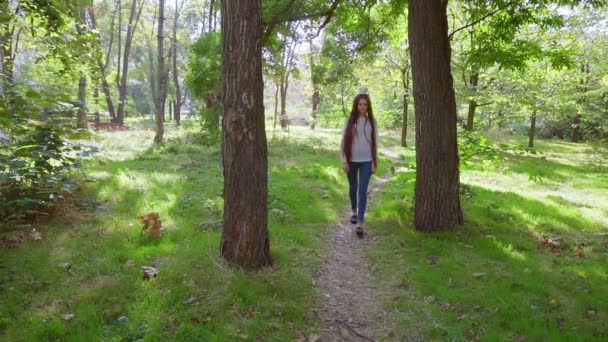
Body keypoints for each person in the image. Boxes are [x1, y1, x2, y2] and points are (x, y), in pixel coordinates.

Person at [340, 94, 378, 237]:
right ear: (356, 105)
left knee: (362, 190)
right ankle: (354, 212)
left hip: (367, 161)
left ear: (368, 106)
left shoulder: (372, 122)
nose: (363, 107)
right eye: (360, 104)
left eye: (365, 104)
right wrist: (344, 160)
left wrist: (374, 161)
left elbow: (375, 143)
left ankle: (360, 223)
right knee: (353, 187)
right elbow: (343, 142)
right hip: (351, 160)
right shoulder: (349, 121)